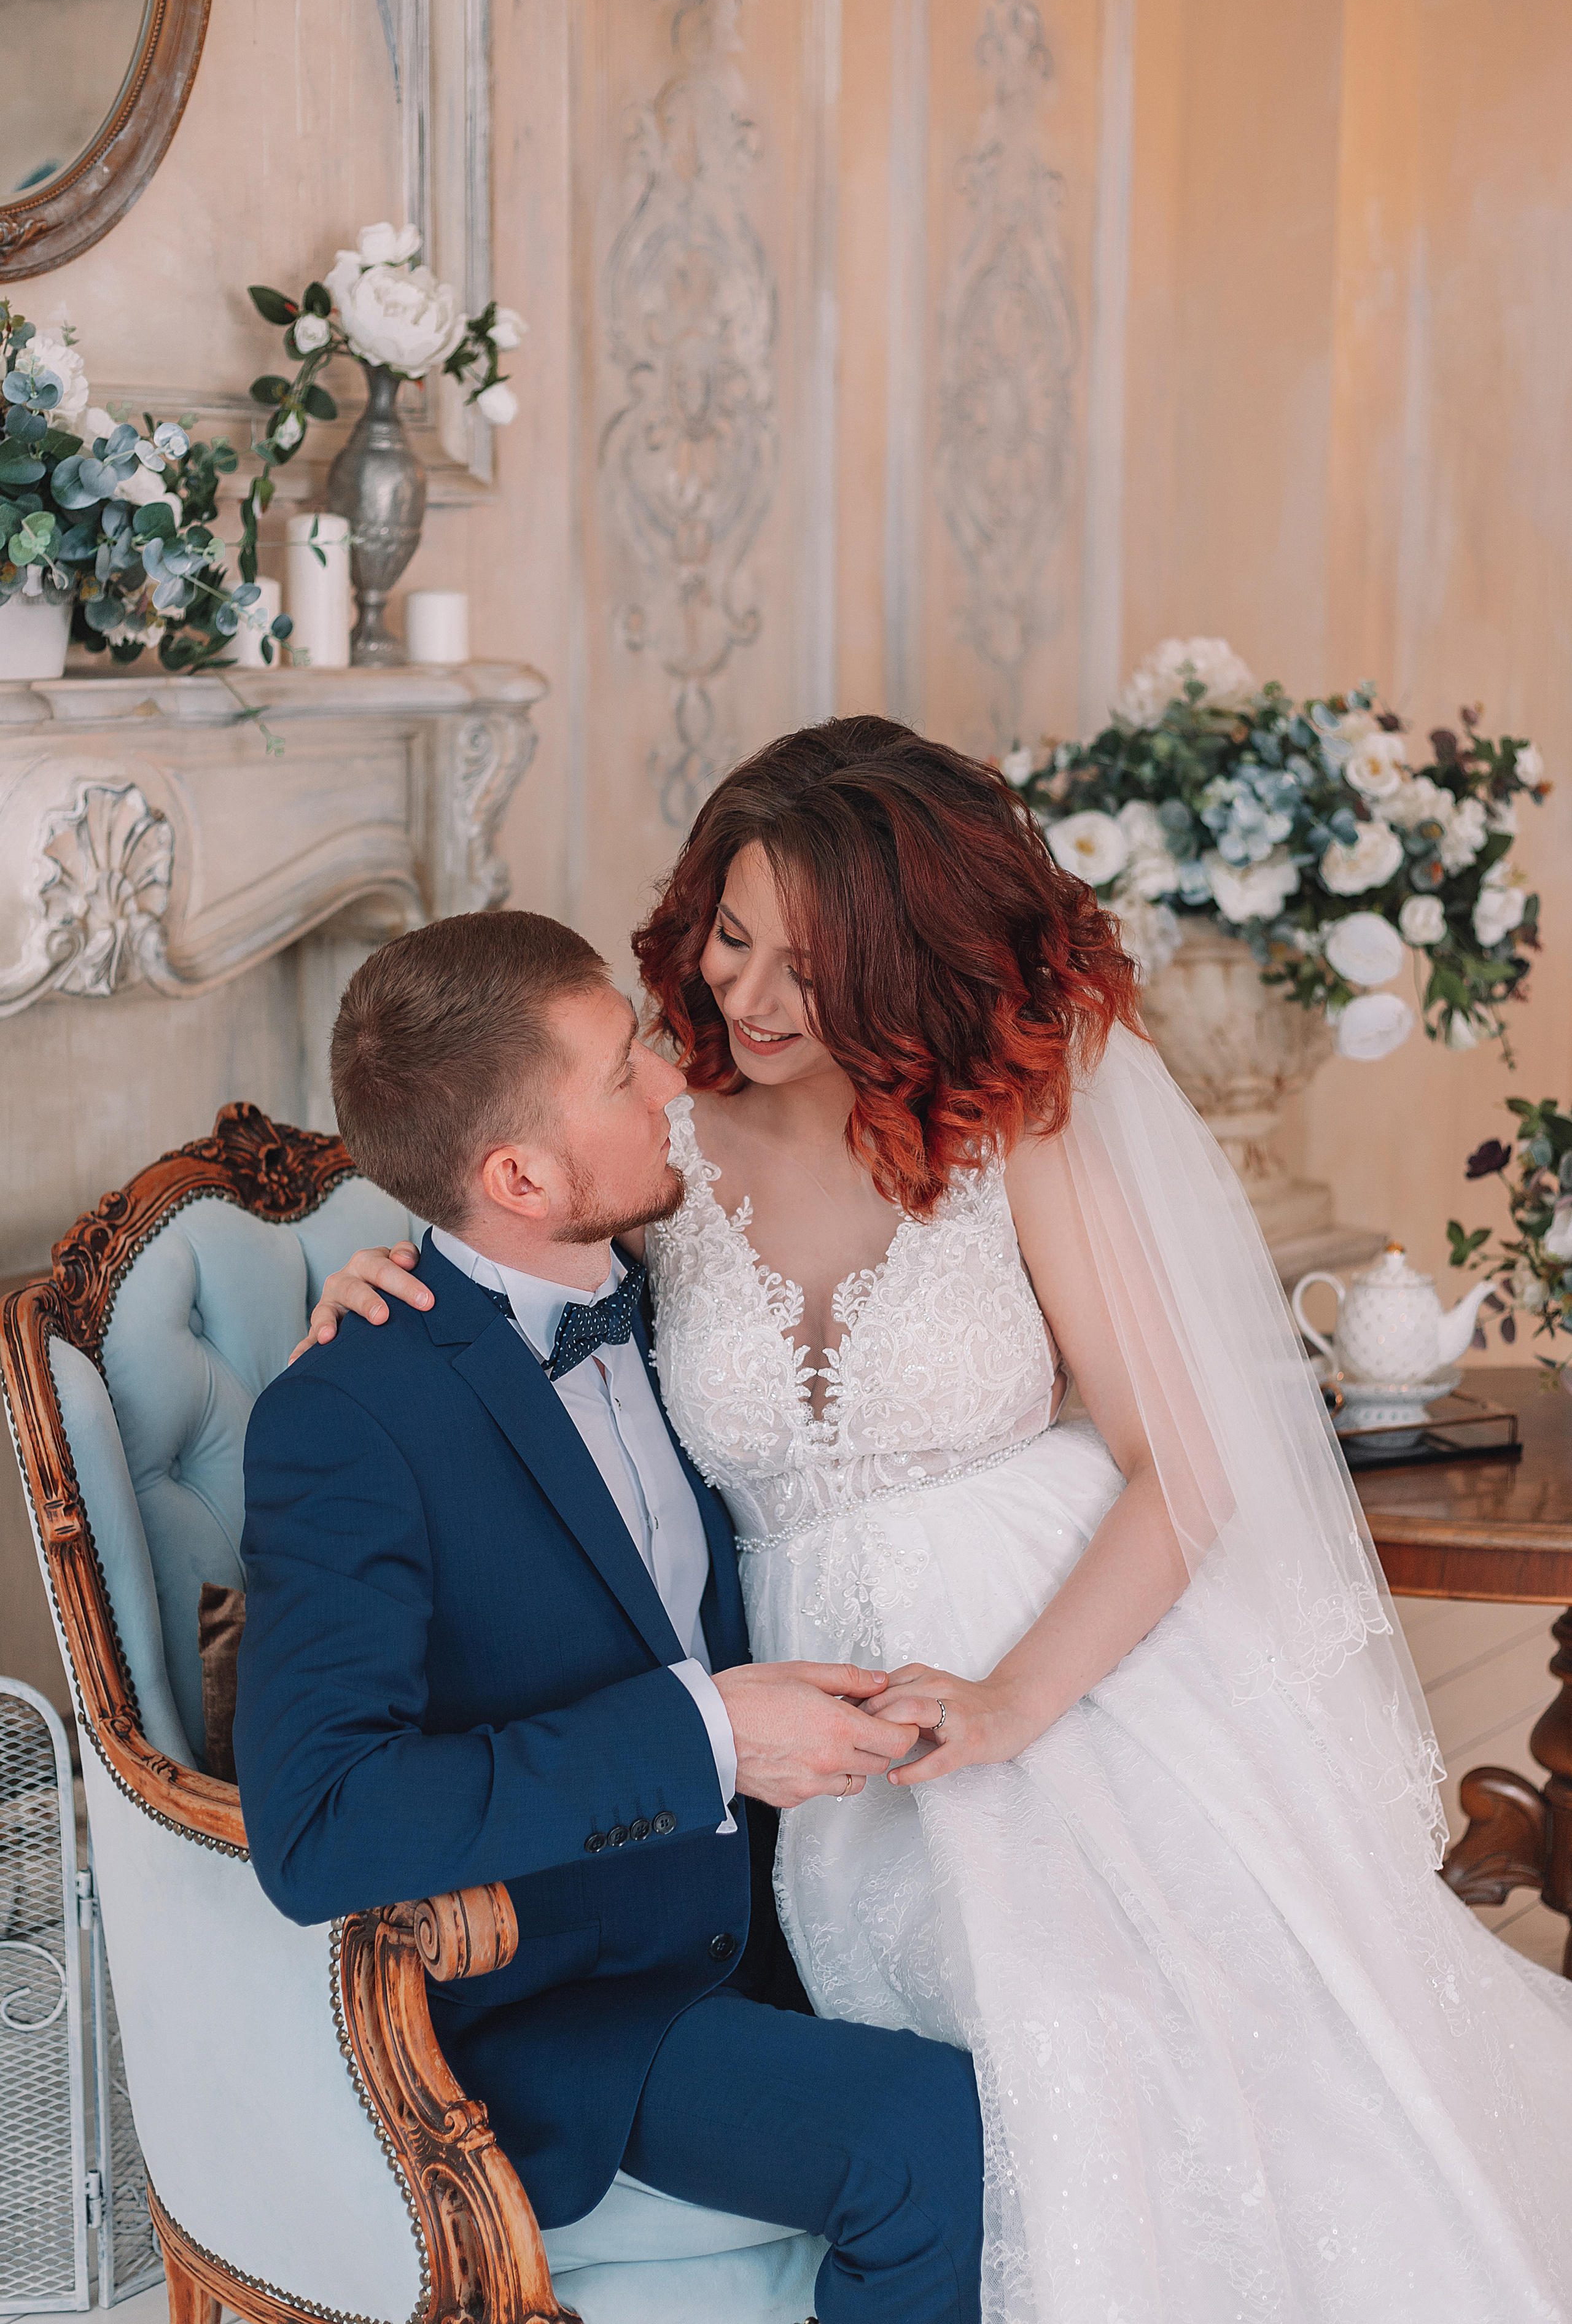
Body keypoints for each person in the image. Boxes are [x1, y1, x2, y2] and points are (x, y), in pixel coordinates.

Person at [305, 719, 1572, 2323]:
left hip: (1088, 1658)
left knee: (1232, 2032)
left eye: (810, 970)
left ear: (911, 965)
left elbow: (1179, 1467)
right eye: (733, 938)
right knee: (1039, 2044)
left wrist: (1017, 1700)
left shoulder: (1007, 1120)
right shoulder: (659, 1133)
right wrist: (389, 1295)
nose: (750, 1000)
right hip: (838, 1715)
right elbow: (514, 1259)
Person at [234, 906, 987, 2324]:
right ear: (517, 1174)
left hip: (784, 1902)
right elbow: (321, 1822)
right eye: (621, 1071)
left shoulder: (661, 1291)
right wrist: (703, 1734)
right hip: (564, 2009)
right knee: (927, 2135)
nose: (670, 1085)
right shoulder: (347, 1415)